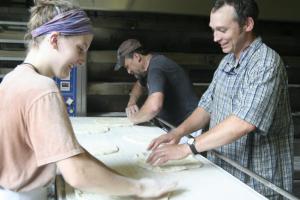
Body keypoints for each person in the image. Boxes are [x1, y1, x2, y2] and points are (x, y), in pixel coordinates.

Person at [0, 1, 176, 199]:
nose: (82, 59)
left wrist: (120, 179)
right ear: (55, 40)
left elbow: (71, 153)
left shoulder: (13, 79)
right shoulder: (42, 89)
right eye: (80, 48)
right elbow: (77, 172)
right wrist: (141, 189)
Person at [147, 0, 294, 199]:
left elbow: (243, 122)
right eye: (213, 30)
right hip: (226, 167)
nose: (215, 37)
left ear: (247, 25)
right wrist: (178, 132)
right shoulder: (227, 61)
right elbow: (207, 106)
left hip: (257, 179)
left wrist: (187, 147)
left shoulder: (266, 63)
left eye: (222, 30)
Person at [114, 39, 199, 128]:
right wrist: (132, 102)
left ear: (136, 57)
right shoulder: (149, 66)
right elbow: (139, 84)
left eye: (127, 66)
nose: (129, 71)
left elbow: (154, 107)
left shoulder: (156, 68)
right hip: (176, 126)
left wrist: (134, 118)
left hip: (189, 128)